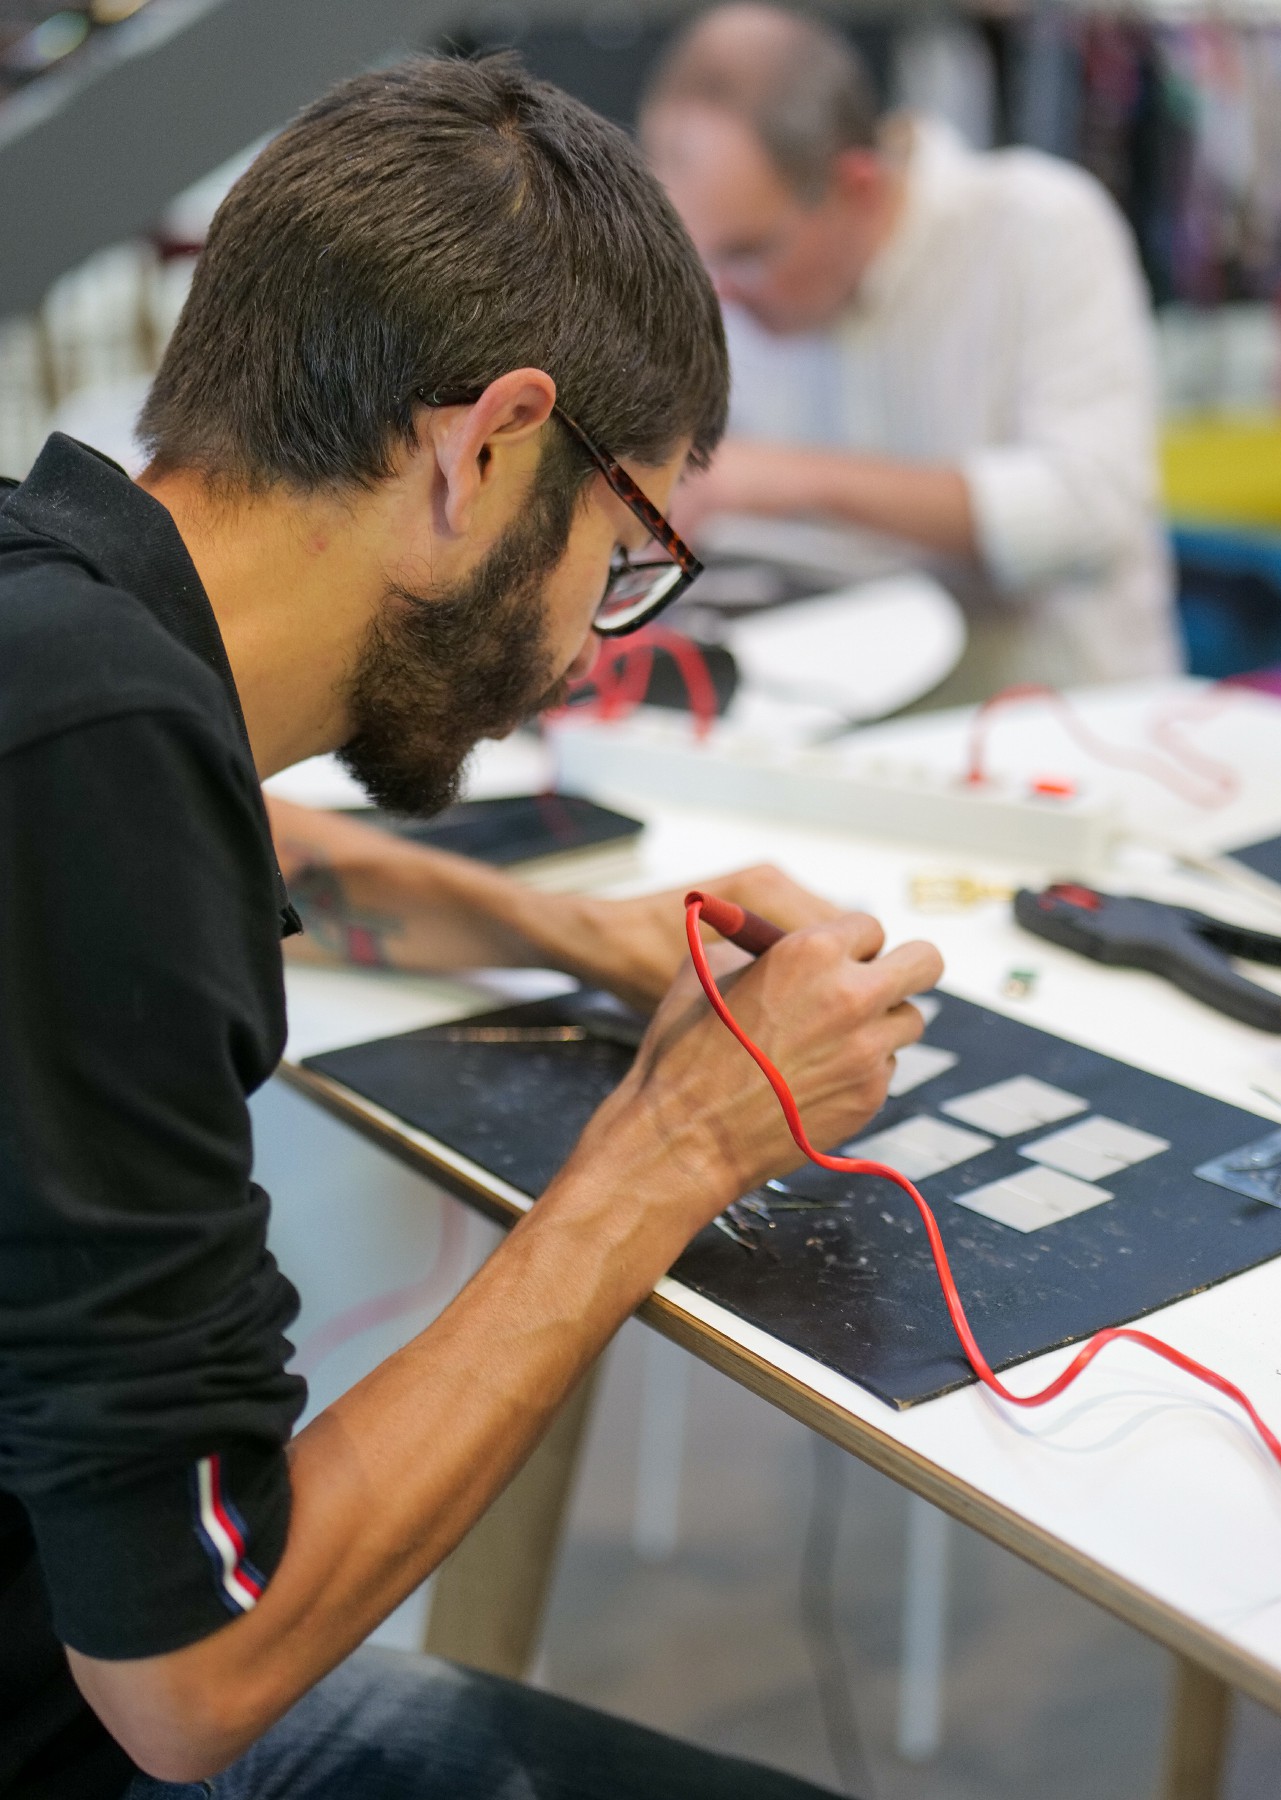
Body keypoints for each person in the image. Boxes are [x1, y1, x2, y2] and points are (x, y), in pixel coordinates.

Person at [0, 54, 943, 1800]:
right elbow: (194, 1676)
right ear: (488, 448)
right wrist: (679, 1141)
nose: (590, 641)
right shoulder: (95, 758)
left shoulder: (58, 626)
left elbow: (248, 832)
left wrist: (581, 936)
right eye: (622, 553)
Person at [640, 4, 1182, 700]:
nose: (721, 293)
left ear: (856, 188)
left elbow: (1089, 507)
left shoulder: (1039, 228)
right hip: (831, 718)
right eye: (698, 258)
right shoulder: (748, 288)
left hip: (1066, 717)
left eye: (749, 253)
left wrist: (792, 479)